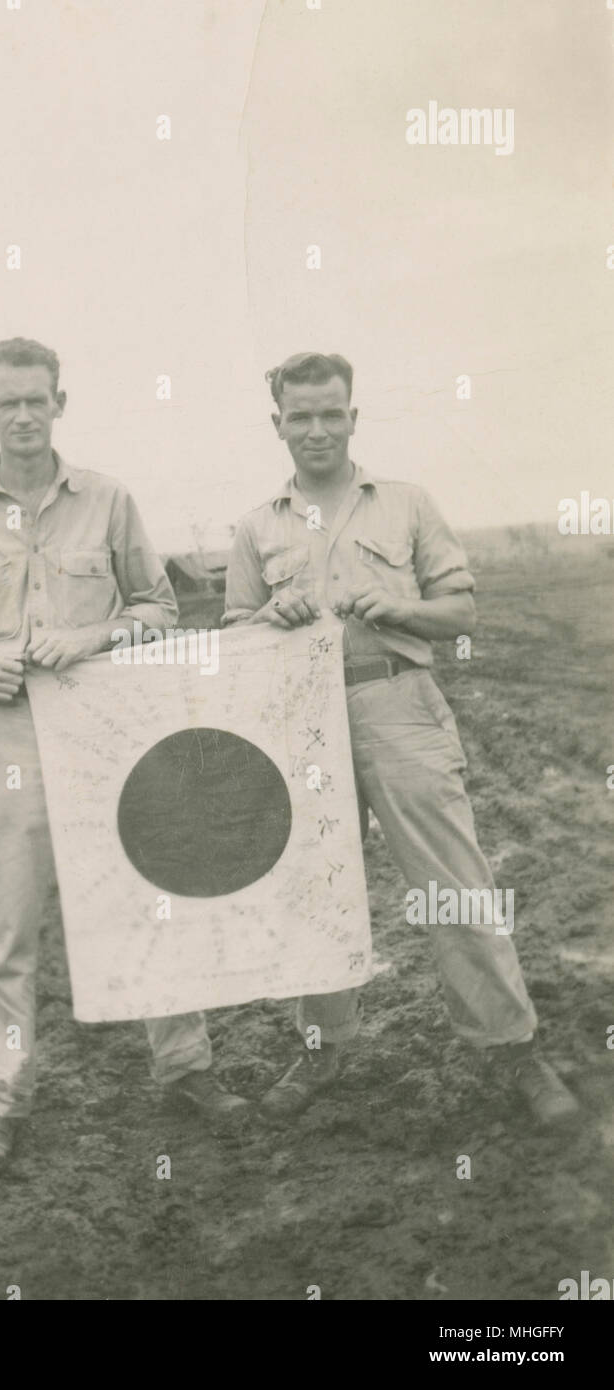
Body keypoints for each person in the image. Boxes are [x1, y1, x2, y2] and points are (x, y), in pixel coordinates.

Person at [0, 337, 247, 1176]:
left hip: (108, 739)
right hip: (6, 740)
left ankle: (186, 1068)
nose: (23, 414)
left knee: (147, 900)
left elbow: (159, 608)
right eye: (6, 401)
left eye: (37, 399)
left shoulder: (109, 501)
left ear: (61, 402)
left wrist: (90, 638)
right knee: (8, 931)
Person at [220, 350, 578, 1127]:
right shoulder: (255, 528)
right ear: (277, 423)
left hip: (398, 701)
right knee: (316, 891)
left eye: (331, 413)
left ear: (354, 417)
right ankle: (323, 1049)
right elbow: (233, 638)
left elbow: (461, 614)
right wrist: (263, 620)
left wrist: (394, 605)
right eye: (300, 416)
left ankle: (510, 1046)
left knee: (454, 882)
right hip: (302, 726)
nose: (317, 429)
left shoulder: (407, 505)